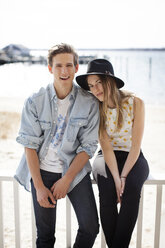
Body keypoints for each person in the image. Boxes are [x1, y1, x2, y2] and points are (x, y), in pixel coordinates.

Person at [14, 43, 100, 248]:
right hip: (41, 173)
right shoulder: (35, 101)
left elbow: (88, 146)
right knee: (45, 235)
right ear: (50, 68)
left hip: (74, 172)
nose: (64, 71)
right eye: (59, 66)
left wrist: (66, 179)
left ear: (77, 68)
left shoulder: (89, 102)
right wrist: (38, 186)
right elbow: (29, 145)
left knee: (90, 227)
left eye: (69, 65)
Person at [76, 58, 149, 248]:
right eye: (91, 86)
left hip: (133, 156)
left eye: (98, 82)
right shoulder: (96, 107)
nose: (95, 89)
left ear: (110, 80)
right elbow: (106, 147)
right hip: (106, 157)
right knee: (107, 187)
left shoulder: (136, 103)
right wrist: (117, 179)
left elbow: (135, 145)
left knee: (132, 188)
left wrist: (124, 177)